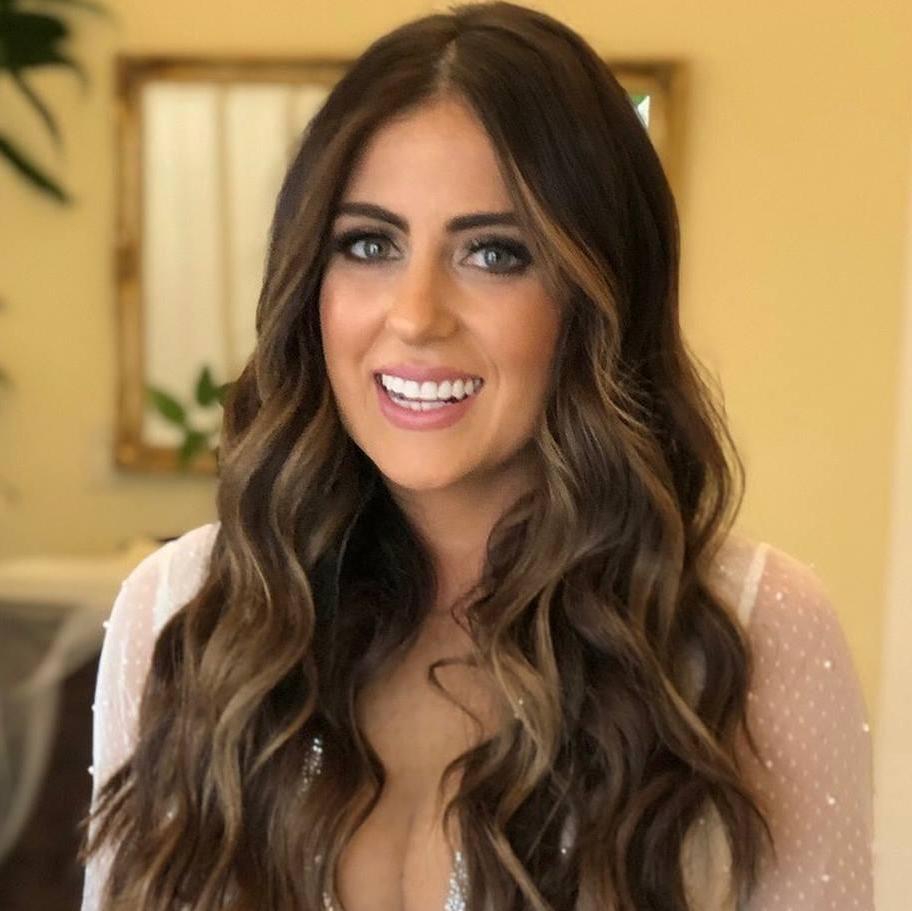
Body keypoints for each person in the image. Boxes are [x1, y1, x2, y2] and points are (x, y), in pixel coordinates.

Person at [78, 3, 875, 910]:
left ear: (600, 293)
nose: (416, 315)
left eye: (495, 253)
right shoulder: (190, 613)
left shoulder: (747, 630)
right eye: (369, 244)